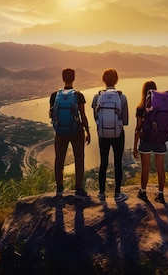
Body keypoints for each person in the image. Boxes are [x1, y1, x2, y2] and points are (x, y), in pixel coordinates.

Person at [49, 68, 91, 199]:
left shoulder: (55, 95)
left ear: (63, 78)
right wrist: (88, 131)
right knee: (79, 158)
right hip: (76, 131)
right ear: (74, 78)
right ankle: (79, 188)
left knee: (59, 159)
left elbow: (52, 114)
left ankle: (59, 188)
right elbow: (83, 115)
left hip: (60, 132)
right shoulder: (78, 95)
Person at [91, 68, 129, 203]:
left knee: (103, 163)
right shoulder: (122, 97)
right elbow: (124, 120)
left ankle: (102, 193)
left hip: (103, 134)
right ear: (117, 80)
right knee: (118, 163)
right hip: (118, 134)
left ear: (103, 80)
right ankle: (117, 194)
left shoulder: (97, 96)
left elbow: (95, 117)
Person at [133, 81, 168, 204]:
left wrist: (134, 147)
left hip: (146, 140)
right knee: (160, 168)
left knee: (145, 168)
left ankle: (143, 192)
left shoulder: (141, 107)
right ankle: (161, 194)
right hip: (160, 139)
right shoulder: (161, 106)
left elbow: (138, 128)